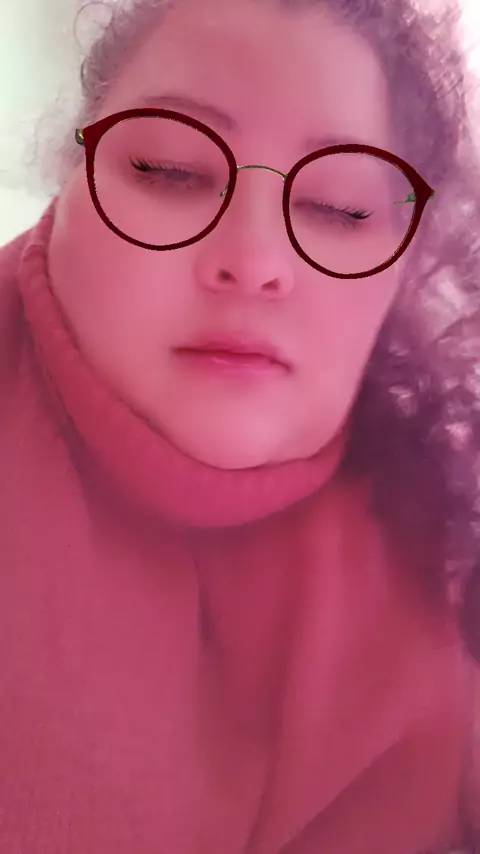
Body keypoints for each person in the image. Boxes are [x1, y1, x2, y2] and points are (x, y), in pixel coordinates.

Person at [1, 0, 480, 850]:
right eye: (171, 170)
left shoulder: (439, 560)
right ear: (67, 181)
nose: (255, 261)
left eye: (338, 208)